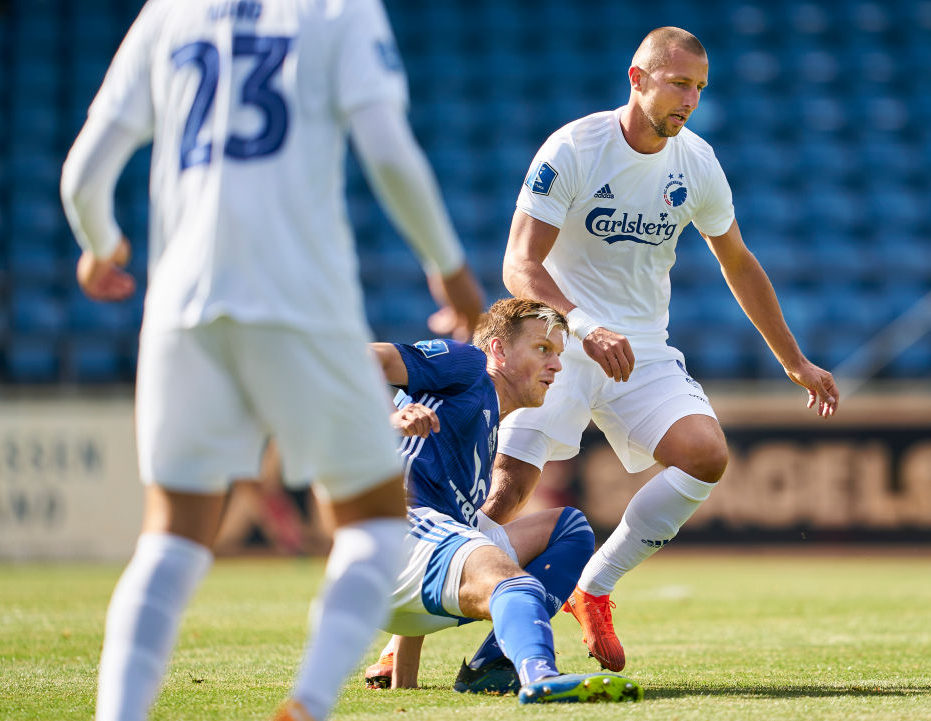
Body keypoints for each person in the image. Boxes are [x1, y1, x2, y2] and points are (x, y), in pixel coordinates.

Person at [59, 1, 483, 720]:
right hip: (301, 302)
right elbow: (386, 148)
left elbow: (81, 176)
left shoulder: (169, 14)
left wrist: (101, 243)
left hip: (182, 307)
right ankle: (310, 701)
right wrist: (447, 267)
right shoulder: (339, 10)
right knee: (378, 522)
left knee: (170, 535)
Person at [486, 26, 841, 673]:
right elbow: (519, 263)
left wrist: (793, 358)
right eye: (679, 83)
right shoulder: (575, 147)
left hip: (643, 350)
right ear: (637, 78)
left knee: (705, 453)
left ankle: (593, 587)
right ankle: (412, 624)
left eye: (700, 88)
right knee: (506, 492)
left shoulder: (695, 162)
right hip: (560, 342)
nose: (690, 100)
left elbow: (738, 261)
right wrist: (585, 324)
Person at [359, 298, 642, 704]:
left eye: (559, 354)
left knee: (570, 529)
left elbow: (440, 540)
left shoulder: (486, 424)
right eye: (543, 349)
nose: (557, 365)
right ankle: (539, 674)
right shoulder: (468, 364)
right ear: (499, 351)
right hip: (390, 538)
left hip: (413, 570)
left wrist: (405, 680)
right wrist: (391, 416)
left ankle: (491, 669)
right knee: (511, 581)